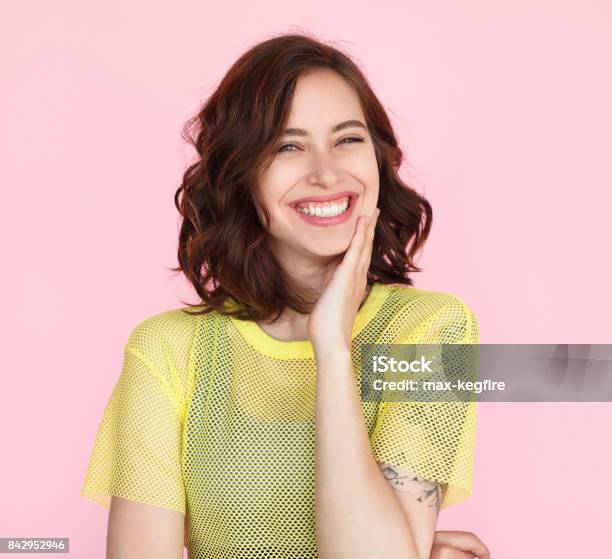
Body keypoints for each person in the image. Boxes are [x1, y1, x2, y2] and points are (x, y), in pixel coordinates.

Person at [80, 32, 490, 559]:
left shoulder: (433, 332)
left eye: (347, 139)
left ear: (381, 159)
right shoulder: (166, 352)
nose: (325, 172)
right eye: (287, 146)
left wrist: (334, 349)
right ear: (241, 173)